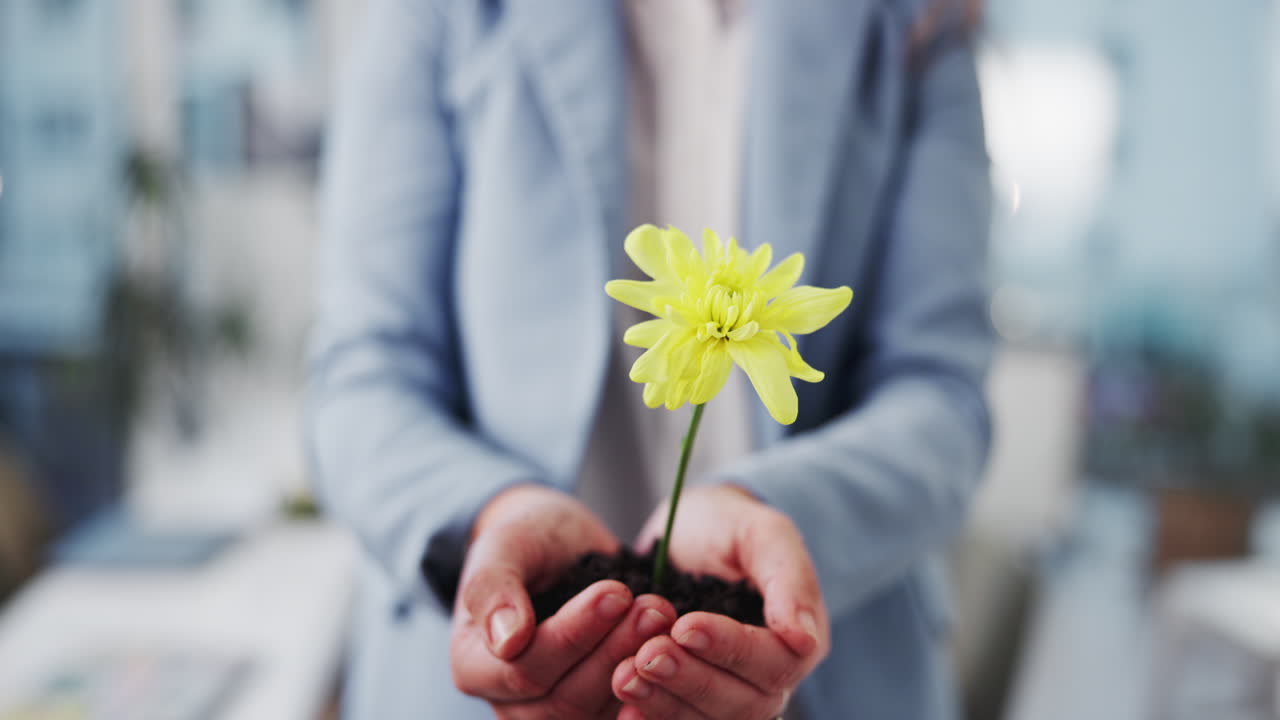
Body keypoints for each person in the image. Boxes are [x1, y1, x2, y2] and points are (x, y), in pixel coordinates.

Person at [306, 0, 992, 718]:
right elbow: (360, 379)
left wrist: (769, 509)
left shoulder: (916, 20)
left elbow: (942, 394)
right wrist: (494, 514)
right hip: (482, 681)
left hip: (831, 684)